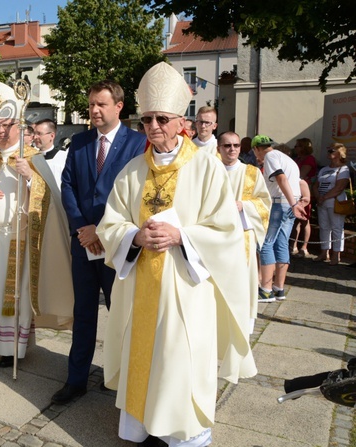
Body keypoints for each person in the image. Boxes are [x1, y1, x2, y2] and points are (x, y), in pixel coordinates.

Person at [97, 61, 257, 446]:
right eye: (147, 119)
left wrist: (181, 236)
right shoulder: (132, 171)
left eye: (162, 119)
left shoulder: (207, 168)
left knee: (177, 358)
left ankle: (181, 433)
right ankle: (143, 426)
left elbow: (226, 231)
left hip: (185, 287)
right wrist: (134, 238)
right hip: (140, 285)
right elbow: (110, 223)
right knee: (144, 355)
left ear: (179, 120)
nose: (154, 127)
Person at [0, 81, 73, 374]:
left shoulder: (33, 159)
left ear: (19, 126)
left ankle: (10, 350)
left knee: (14, 301)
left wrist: (31, 179)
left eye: (6, 125)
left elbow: (51, 201)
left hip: (18, 241)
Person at [52, 80, 146, 405]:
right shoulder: (78, 143)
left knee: (122, 315)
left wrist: (101, 231)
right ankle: (76, 380)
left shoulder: (137, 144)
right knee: (84, 314)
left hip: (117, 248)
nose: (94, 110)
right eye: (91, 104)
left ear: (119, 106)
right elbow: (67, 186)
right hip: (83, 247)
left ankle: (120, 379)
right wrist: (82, 228)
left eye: (101, 104)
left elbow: (136, 195)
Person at [217, 131, 271, 333]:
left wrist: (243, 205)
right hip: (214, 237)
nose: (232, 149)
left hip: (242, 236)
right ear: (219, 148)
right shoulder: (210, 171)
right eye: (227, 146)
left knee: (240, 285)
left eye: (236, 146)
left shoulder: (252, 172)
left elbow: (265, 203)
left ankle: (241, 328)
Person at [252, 135, 306, 303]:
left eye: (255, 153)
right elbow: (299, 181)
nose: (257, 157)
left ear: (257, 149)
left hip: (280, 203)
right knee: (281, 244)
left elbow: (281, 178)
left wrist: (292, 203)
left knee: (265, 244)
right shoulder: (287, 158)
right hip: (290, 204)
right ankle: (279, 288)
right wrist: (295, 203)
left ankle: (266, 290)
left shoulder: (270, 156)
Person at [313, 143, 351, 265]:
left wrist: (325, 197)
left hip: (335, 201)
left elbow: (339, 187)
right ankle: (324, 252)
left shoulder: (343, 169)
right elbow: (316, 185)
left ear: (339, 154)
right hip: (322, 202)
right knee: (324, 227)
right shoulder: (324, 169)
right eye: (329, 150)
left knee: (337, 228)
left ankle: (336, 255)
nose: (329, 152)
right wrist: (318, 197)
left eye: (332, 151)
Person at [291, 138, 317, 258]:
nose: (295, 148)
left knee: (304, 220)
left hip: (304, 192)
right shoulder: (297, 159)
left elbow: (301, 175)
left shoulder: (309, 159)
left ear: (304, 147)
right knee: (296, 220)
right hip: (296, 192)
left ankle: (304, 247)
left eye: (298, 146)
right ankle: (294, 245)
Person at [33, 118, 67, 190]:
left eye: (39, 133)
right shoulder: (32, 158)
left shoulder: (64, 158)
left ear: (52, 136)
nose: (35, 137)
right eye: (35, 133)